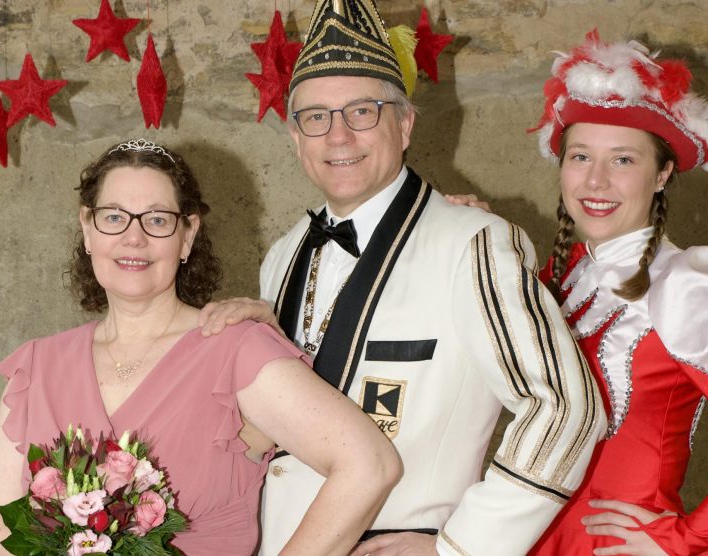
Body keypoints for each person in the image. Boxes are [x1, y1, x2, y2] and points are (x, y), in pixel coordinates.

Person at [199, 2, 606, 555]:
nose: (338, 136)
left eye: (362, 111)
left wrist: (459, 548)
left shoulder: (473, 241)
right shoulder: (283, 252)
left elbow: (564, 407)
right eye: (315, 117)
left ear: (406, 123)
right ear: (295, 139)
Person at [0, 139, 402, 555]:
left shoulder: (237, 350)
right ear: (87, 228)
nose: (133, 238)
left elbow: (369, 465)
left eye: (157, 220)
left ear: (188, 235)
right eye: (114, 217)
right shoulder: (37, 366)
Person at [519, 31, 708, 555]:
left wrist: (685, 537)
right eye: (580, 157)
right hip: (538, 537)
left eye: (624, 160)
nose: (596, 180)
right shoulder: (566, 274)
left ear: (663, 174)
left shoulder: (685, 283)